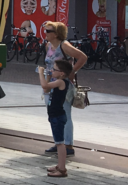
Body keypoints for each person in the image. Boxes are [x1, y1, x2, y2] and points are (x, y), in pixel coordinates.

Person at [41, 21, 87, 157]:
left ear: (56, 34)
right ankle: (59, 142)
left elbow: (82, 57)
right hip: (51, 84)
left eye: (48, 31)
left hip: (62, 85)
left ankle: (68, 145)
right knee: (53, 113)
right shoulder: (48, 45)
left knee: (64, 114)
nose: (45, 33)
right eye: (45, 30)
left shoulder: (64, 46)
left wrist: (72, 72)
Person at [39, 59, 74, 178]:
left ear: (62, 73)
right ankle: (60, 165)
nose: (52, 70)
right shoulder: (58, 81)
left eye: (54, 69)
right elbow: (46, 89)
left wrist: (41, 73)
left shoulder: (61, 82)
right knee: (58, 142)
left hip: (57, 116)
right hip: (55, 115)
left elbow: (43, 85)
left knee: (59, 143)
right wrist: (48, 77)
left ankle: (62, 169)